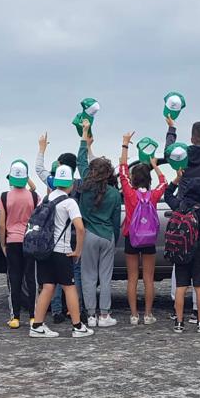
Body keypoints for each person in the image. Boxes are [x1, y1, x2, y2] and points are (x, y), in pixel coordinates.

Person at [165, 115, 200, 320]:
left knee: (178, 262)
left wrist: (171, 130)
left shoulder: (183, 159)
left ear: (191, 137)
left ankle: (176, 309)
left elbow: (168, 152)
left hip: (181, 213)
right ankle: (199, 311)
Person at [29, 165, 94, 339]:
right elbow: (80, 229)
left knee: (47, 287)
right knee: (69, 287)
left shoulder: (47, 199)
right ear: (71, 183)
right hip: (62, 251)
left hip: (45, 250)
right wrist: (78, 250)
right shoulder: (69, 202)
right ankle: (78, 326)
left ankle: (37, 325)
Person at [35, 131, 90, 323]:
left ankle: (57, 310)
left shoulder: (52, 186)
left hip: (53, 237)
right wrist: (87, 144)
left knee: (53, 280)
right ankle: (77, 311)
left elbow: (39, 169)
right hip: (74, 234)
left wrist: (41, 148)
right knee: (74, 277)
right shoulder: (81, 185)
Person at [119, 131, 167, 326]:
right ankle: (148, 314)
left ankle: (133, 315)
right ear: (148, 179)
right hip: (149, 240)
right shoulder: (153, 195)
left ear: (133, 179)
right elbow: (163, 182)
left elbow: (122, 169)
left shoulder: (129, 193)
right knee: (148, 278)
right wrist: (155, 166)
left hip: (132, 236)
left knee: (132, 279)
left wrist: (125, 145)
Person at [77, 123, 121, 328]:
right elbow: (115, 220)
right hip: (107, 235)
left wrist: (84, 137)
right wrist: (114, 237)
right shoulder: (113, 193)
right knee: (105, 277)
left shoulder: (85, 187)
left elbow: (80, 161)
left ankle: (91, 316)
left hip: (88, 234)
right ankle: (105, 315)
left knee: (88, 276)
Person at [165, 176, 200, 333]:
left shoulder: (178, 206)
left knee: (181, 287)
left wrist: (176, 180)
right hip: (199, 252)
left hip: (180, 250)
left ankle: (179, 323)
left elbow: (167, 195)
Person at [0, 160, 39, 329]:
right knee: (31, 278)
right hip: (29, 241)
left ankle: (15, 317)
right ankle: (33, 316)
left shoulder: (4, 196)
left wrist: (2, 244)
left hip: (12, 241)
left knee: (14, 278)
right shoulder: (34, 197)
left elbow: (1, 224)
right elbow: (34, 189)